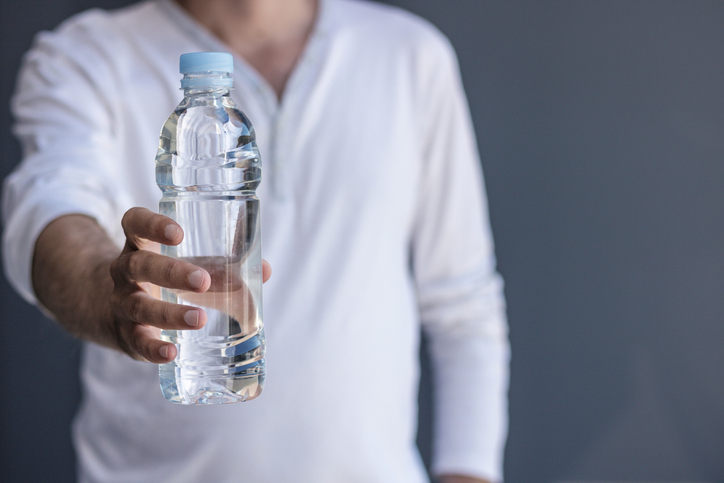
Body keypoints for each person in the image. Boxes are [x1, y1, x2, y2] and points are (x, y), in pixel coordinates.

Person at [2, 0, 509, 481]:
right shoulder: (85, 58)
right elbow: (49, 209)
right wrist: (105, 291)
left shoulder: (410, 56)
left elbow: (463, 305)